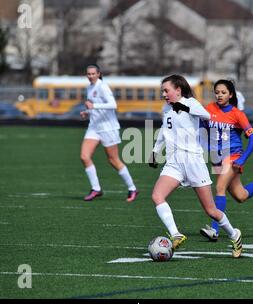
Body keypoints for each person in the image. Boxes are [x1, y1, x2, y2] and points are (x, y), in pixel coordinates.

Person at [149, 75, 243, 258]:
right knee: (157, 196)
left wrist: (182, 107)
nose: (164, 94)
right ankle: (176, 234)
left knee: (211, 210)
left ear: (178, 90)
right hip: (174, 162)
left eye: (166, 90)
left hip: (193, 161)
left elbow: (207, 115)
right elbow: (164, 130)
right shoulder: (167, 109)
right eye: (162, 91)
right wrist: (154, 150)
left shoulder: (190, 103)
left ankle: (234, 234)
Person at [198, 80, 253, 242]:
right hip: (217, 157)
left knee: (220, 187)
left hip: (234, 156)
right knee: (240, 196)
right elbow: (201, 128)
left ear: (231, 95)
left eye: (223, 92)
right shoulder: (209, 109)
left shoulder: (237, 114)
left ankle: (214, 230)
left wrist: (243, 159)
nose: (219, 95)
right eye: (217, 92)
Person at [80, 64, 139, 202]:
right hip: (94, 127)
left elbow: (113, 105)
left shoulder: (103, 87)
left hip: (108, 128)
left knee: (113, 160)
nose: (90, 76)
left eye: (93, 73)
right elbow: (95, 107)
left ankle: (132, 188)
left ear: (99, 74)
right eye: (88, 74)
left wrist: (94, 106)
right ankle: (96, 189)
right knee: (84, 156)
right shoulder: (89, 88)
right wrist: (87, 112)